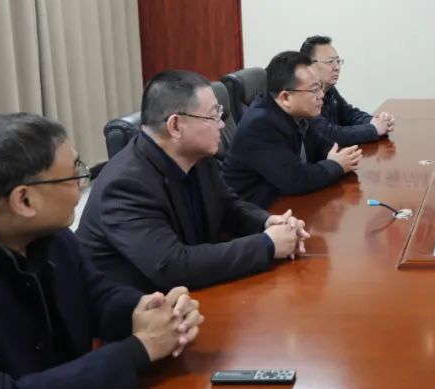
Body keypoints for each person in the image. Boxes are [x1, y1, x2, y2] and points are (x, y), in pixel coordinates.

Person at [0, 113, 203, 389]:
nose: (82, 188)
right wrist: (139, 349)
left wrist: (149, 310)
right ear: (24, 201)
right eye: (75, 175)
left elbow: (95, 295)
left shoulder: (50, 236)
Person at [78, 70, 309, 292]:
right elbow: (172, 265)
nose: (221, 124)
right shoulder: (125, 185)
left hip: (189, 296)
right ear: (176, 126)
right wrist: (266, 244)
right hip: (136, 308)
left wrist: (268, 223)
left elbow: (229, 207)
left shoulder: (197, 157)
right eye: (213, 116)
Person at [223, 51, 363, 208]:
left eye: (320, 87)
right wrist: (335, 165)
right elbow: (295, 179)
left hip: (283, 202)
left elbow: (322, 146)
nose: (321, 95)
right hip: (253, 212)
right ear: (286, 97)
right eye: (314, 90)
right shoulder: (260, 125)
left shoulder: (296, 113)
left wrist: (339, 156)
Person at [300, 34, 394, 144]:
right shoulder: (303, 95)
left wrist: (376, 121)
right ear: (309, 65)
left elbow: (350, 115)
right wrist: (374, 129)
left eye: (338, 61)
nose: (337, 67)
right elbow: (329, 134)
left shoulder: (329, 89)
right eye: (330, 62)